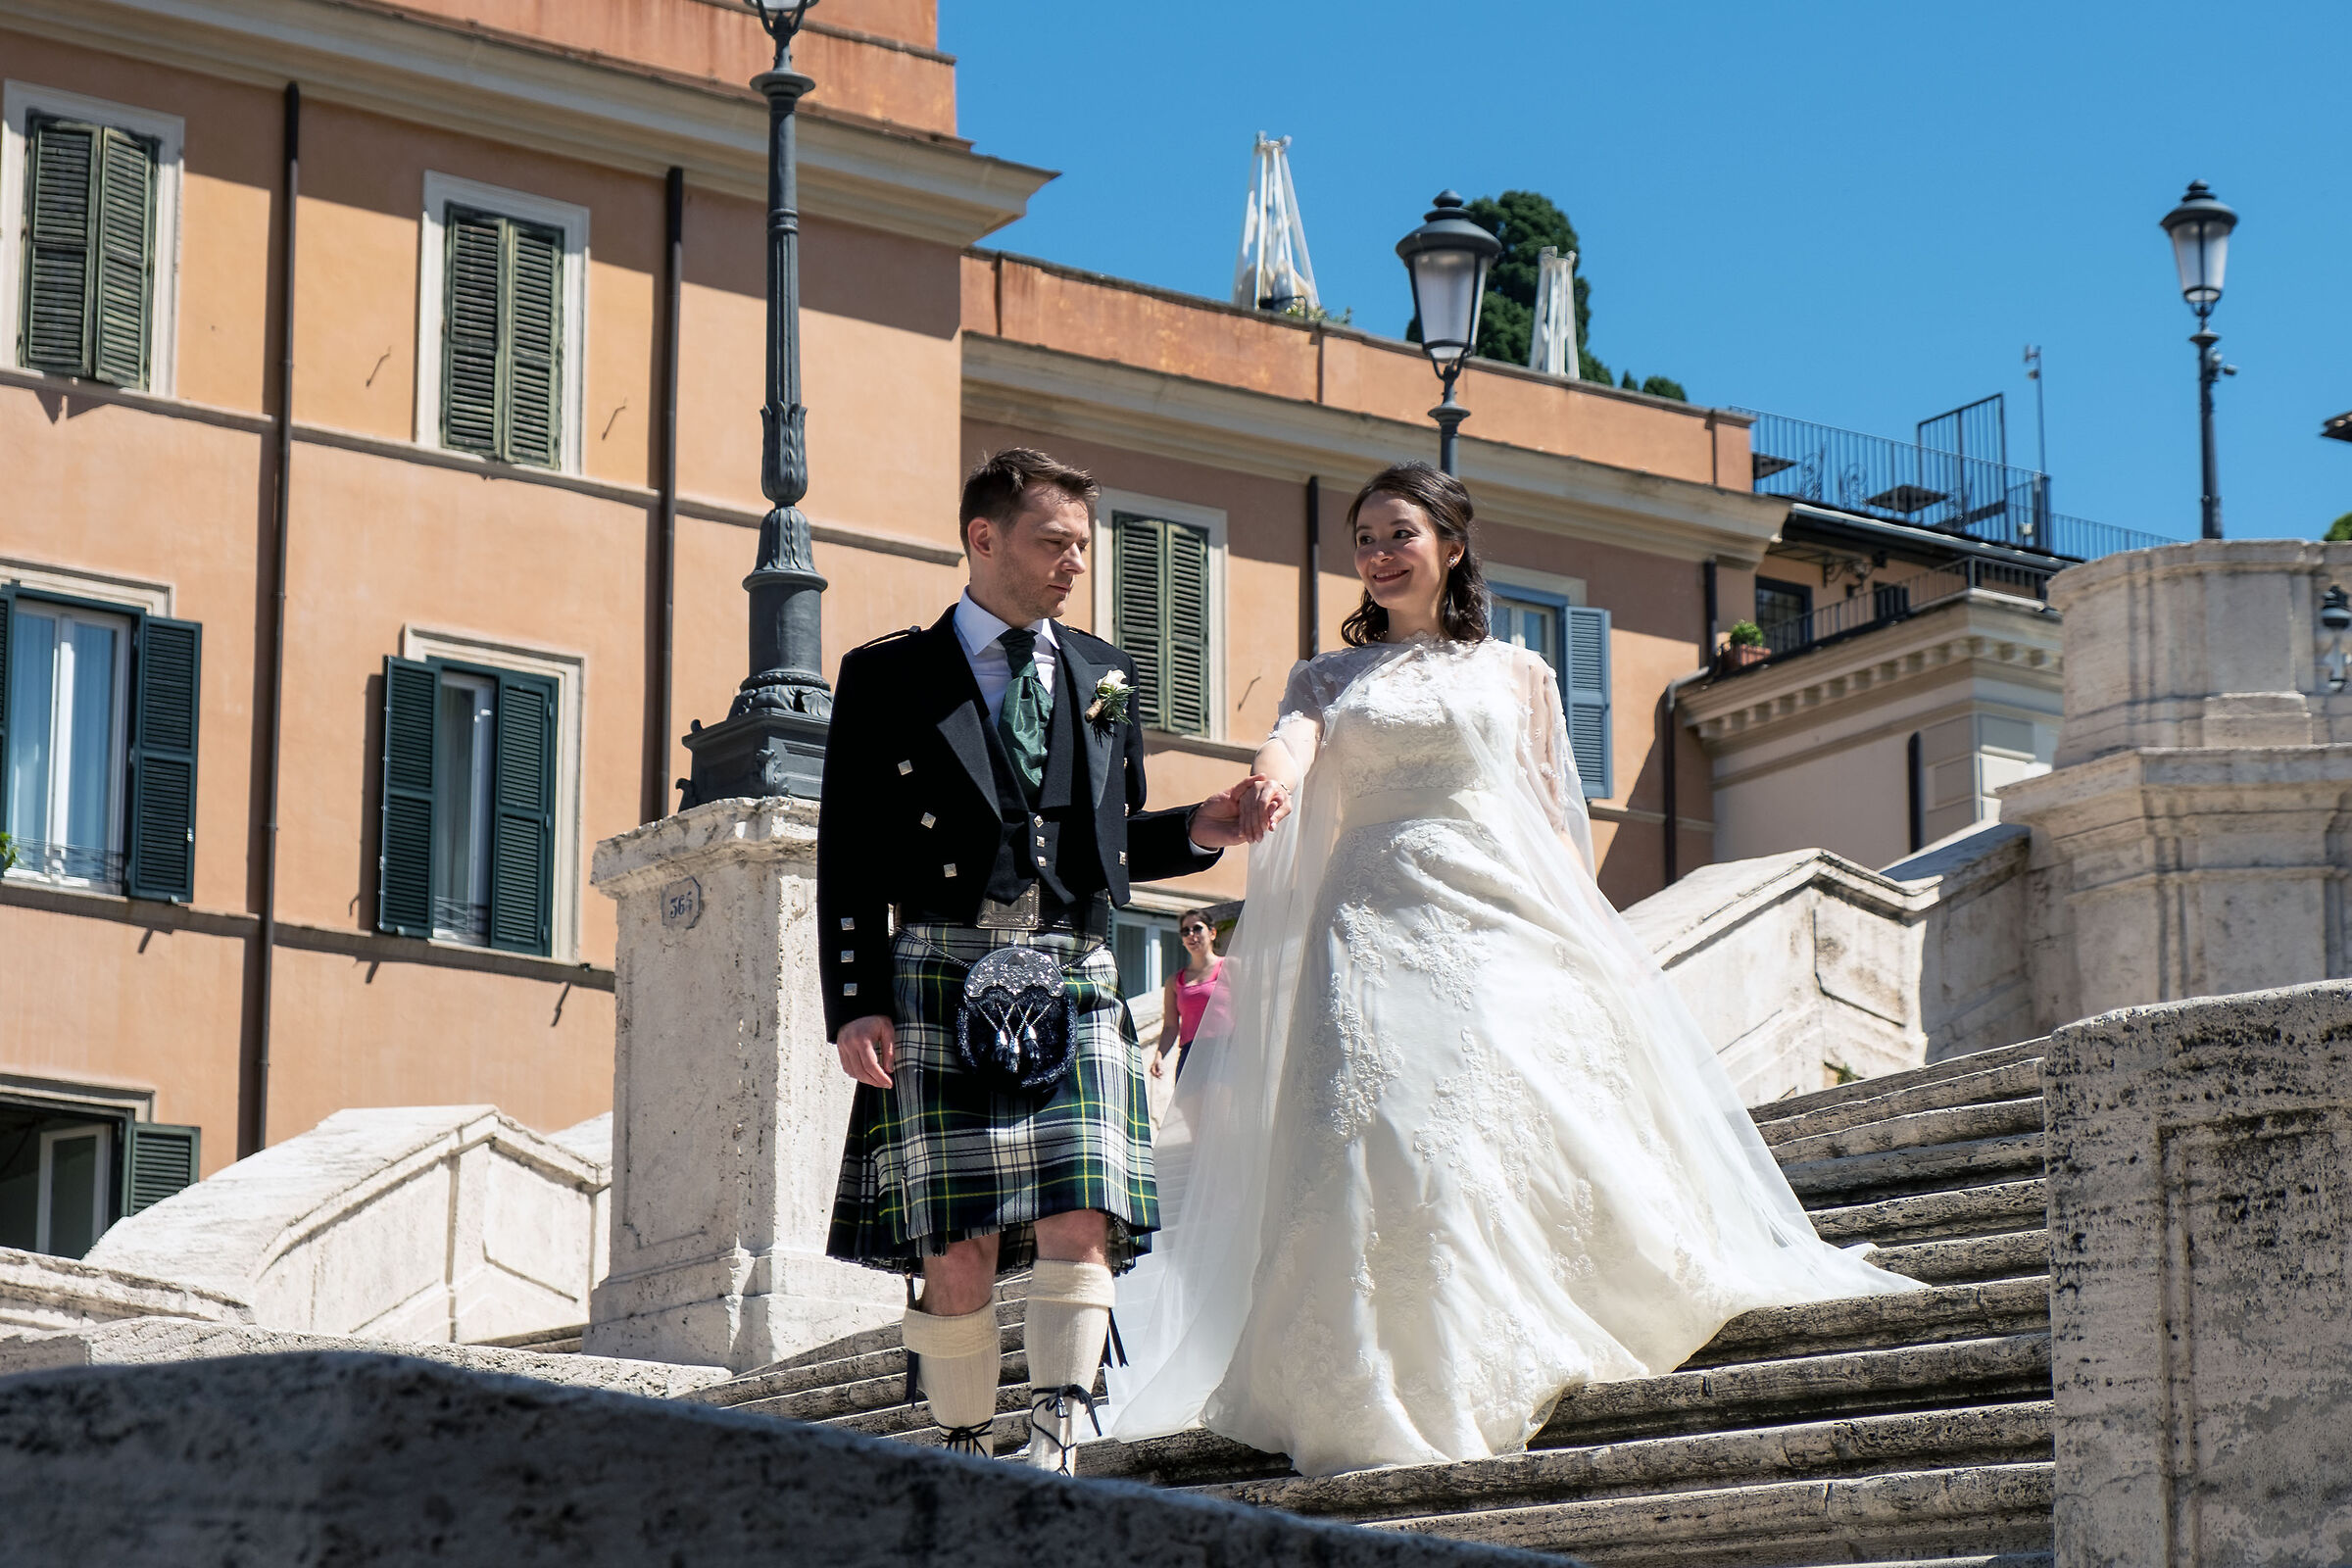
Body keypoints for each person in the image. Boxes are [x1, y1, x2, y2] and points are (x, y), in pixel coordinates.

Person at [1106, 462, 1922, 1477]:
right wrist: (1267, 789)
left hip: (1494, 915)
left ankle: (1493, 1322)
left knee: (1483, 1118)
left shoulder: (1521, 673)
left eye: (1398, 531)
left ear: (1451, 541)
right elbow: (1291, 746)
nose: (1377, 553)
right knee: (1375, 1124)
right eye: (1363, 538)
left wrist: (1586, 937)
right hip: (1369, 919)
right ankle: (1371, 1367)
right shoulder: (1328, 677)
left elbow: (1550, 815)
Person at [818, 448, 1271, 1473]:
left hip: (1069, 965)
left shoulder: (1104, 671)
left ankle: (1058, 1429)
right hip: (938, 961)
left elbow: (1106, 843)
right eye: (1053, 541)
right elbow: (848, 852)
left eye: (1082, 543)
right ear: (984, 539)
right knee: (959, 1238)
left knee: (1082, 1210)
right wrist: (854, 1000)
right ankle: (966, 1440)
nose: (1076, 562)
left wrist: (1199, 827)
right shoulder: (887, 675)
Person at [1150, 911, 1224, 1084]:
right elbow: (1170, 1026)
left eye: (1197, 928)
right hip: (1190, 1054)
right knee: (1191, 1111)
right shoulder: (1174, 981)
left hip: (1224, 1050)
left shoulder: (1230, 967)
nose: (1191, 935)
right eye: (1185, 931)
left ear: (1212, 933)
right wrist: (1159, 1056)